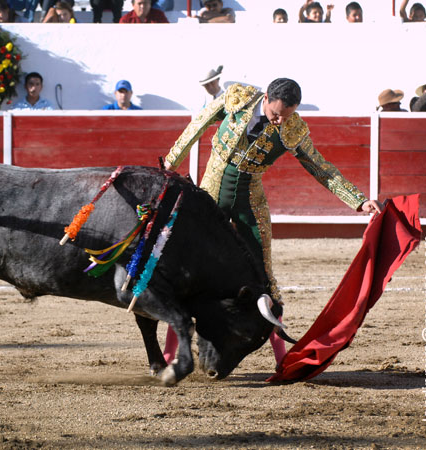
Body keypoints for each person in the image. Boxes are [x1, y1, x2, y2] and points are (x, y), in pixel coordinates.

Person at [163, 78, 383, 364]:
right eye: (277, 113)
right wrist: (171, 162)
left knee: (263, 273)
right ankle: (170, 353)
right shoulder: (238, 97)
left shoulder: (293, 128)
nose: (280, 121)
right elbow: (199, 123)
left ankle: (282, 358)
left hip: (249, 199)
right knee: (189, 266)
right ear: (266, 98)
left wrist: (358, 199)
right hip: (210, 193)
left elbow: (320, 167)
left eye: (287, 115)